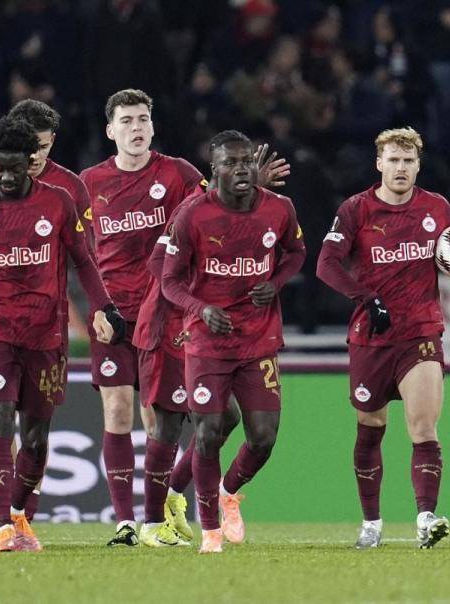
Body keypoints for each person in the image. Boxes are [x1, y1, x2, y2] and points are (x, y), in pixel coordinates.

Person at [80, 89, 288, 546]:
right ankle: (131, 523)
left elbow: (219, 204)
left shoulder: (179, 173)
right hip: (114, 313)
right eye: (126, 121)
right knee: (120, 410)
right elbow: (79, 251)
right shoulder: (89, 183)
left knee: (210, 419)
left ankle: (172, 493)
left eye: (143, 119)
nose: (136, 128)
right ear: (110, 130)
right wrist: (94, 306)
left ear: (153, 125)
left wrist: (252, 184)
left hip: (170, 311)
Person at [0, 117, 125, 553]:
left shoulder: (57, 201)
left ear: (31, 161)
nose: (8, 177)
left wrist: (104, 306)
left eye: (16, 168)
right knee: (0, 418)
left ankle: (18, 515)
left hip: (45, 333)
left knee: (35, 437)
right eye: (0, 169)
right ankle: (1, 525)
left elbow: (84, 259)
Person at [316, 127, 450, 550]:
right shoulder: (356, 209)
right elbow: (326, 265)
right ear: (379, 163)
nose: (401, 168)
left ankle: (426, 518)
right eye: (393, 160)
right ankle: (371, 523)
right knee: (371, 426)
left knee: (424, 427)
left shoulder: (436, 207)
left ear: (418, 165)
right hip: (371, 336)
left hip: (420, 331)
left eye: (408, 161)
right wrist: (366, 299)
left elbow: (448, 259)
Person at [134, 140, 292, 548]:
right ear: (213, 171)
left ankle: (179, 493)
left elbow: (291, 250)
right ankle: (159, 520)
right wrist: (199, 306)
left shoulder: (267, 208)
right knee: (175, 424)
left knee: (236, 423)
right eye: (230, 164)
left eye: (246, 164)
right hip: (178, 328)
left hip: (235, 334)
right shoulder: (190, 212)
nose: (241, 171)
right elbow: (160, 268)